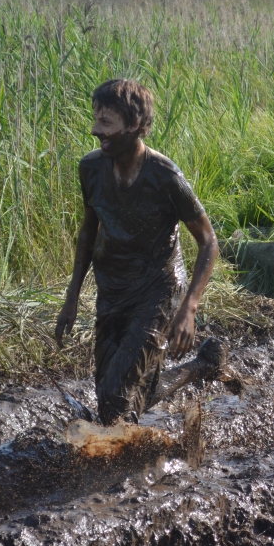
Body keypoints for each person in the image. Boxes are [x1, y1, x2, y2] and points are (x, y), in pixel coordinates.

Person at [55, 79, 219, 425]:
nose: (94, 130)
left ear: (133, 125)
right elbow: (88, 231)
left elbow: (208, 241)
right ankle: (203, 367)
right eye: (95, 119)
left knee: (116, 395)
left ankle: (121, 473)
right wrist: (71, 298)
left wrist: (188, 308)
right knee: (112, 404)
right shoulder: (91, 168)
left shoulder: (165, 176)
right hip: (113, 289)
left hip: (157, 289)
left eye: (105, 123)